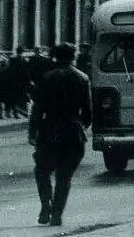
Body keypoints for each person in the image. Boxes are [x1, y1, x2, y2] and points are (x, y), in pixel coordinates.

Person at [29, 42, 92, 227]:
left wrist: (33, 133)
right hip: (72, 131)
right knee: (65, 176)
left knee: (42, 170)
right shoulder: (82, 78)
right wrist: (81, 127)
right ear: (73, 57)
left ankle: (45, 205)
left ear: (56, 56)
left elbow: (37, 109)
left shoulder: (46, 78)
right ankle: (57, 214)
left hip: (49, 129)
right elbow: (87, 111)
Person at [6, 47, 31, 118]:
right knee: (17, 98)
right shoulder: (24, 60)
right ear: (22, 52)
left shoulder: (12, 59)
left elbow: (8, 70)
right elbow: (26, 73)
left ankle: (8, 112)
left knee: (11, 96)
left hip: (12, 81)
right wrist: (28, 82)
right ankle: (15, 113)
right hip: (20, 82)